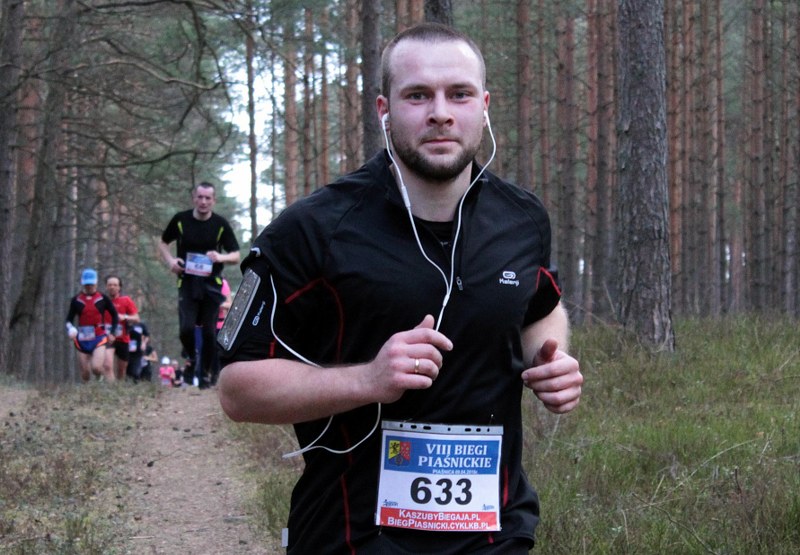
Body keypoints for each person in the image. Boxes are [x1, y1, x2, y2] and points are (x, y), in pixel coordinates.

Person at [217, 23, 583, 554]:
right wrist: (367, 379)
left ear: (484, 106)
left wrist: (552, 361)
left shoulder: (522, 219)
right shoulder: (314, 229)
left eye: (459, 94)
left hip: (494, 532)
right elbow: (237, 389)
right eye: (418, 95)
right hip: (352, 534)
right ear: (384, 110)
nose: (440, 113)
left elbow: (540, 307)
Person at [158, 182, 240, 388]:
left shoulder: (220, 224)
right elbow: (163, 242)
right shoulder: (181, 220)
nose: (203, 202)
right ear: (194, 198)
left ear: (214, 200)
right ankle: (192, 358)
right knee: (186, 328)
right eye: (200, 197)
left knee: (209, 333)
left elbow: (236, 255)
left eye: (207, 198)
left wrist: (220, 257)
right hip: (187, 282)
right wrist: (170, 261)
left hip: (212, 285)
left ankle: (204, 374)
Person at [65, 268, 118, 382]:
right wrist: (70, 329)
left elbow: (115, 315)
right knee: (85, 372)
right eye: (87, 284)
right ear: (83, 283)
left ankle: (101, 377)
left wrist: (112, 332)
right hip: (82, 338)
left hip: (99, 336)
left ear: (96, 283)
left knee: (96, 368)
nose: (89, 287)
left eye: (91, 284)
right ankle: (88, 391)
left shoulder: (103, 298)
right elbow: (69, 319)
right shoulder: (76, 300)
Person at [103, 275, 140, 381]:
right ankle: (112, 388)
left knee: (121, 370)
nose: (112, 287)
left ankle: (119, 386)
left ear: (119, 287)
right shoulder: (102, 301)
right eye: (110, 285)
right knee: (107, 365)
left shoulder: (126, 300)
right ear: (106, 286)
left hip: (123, 339)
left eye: (115, 285)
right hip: (108, 338)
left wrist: (125, 317)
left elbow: (137, 318)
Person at [209, 277, 232, 385]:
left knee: (218, 353)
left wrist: (216, 304)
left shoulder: (222, 283)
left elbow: (229, 304)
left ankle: (217, 377)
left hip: (219, 324)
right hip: (202, 325)